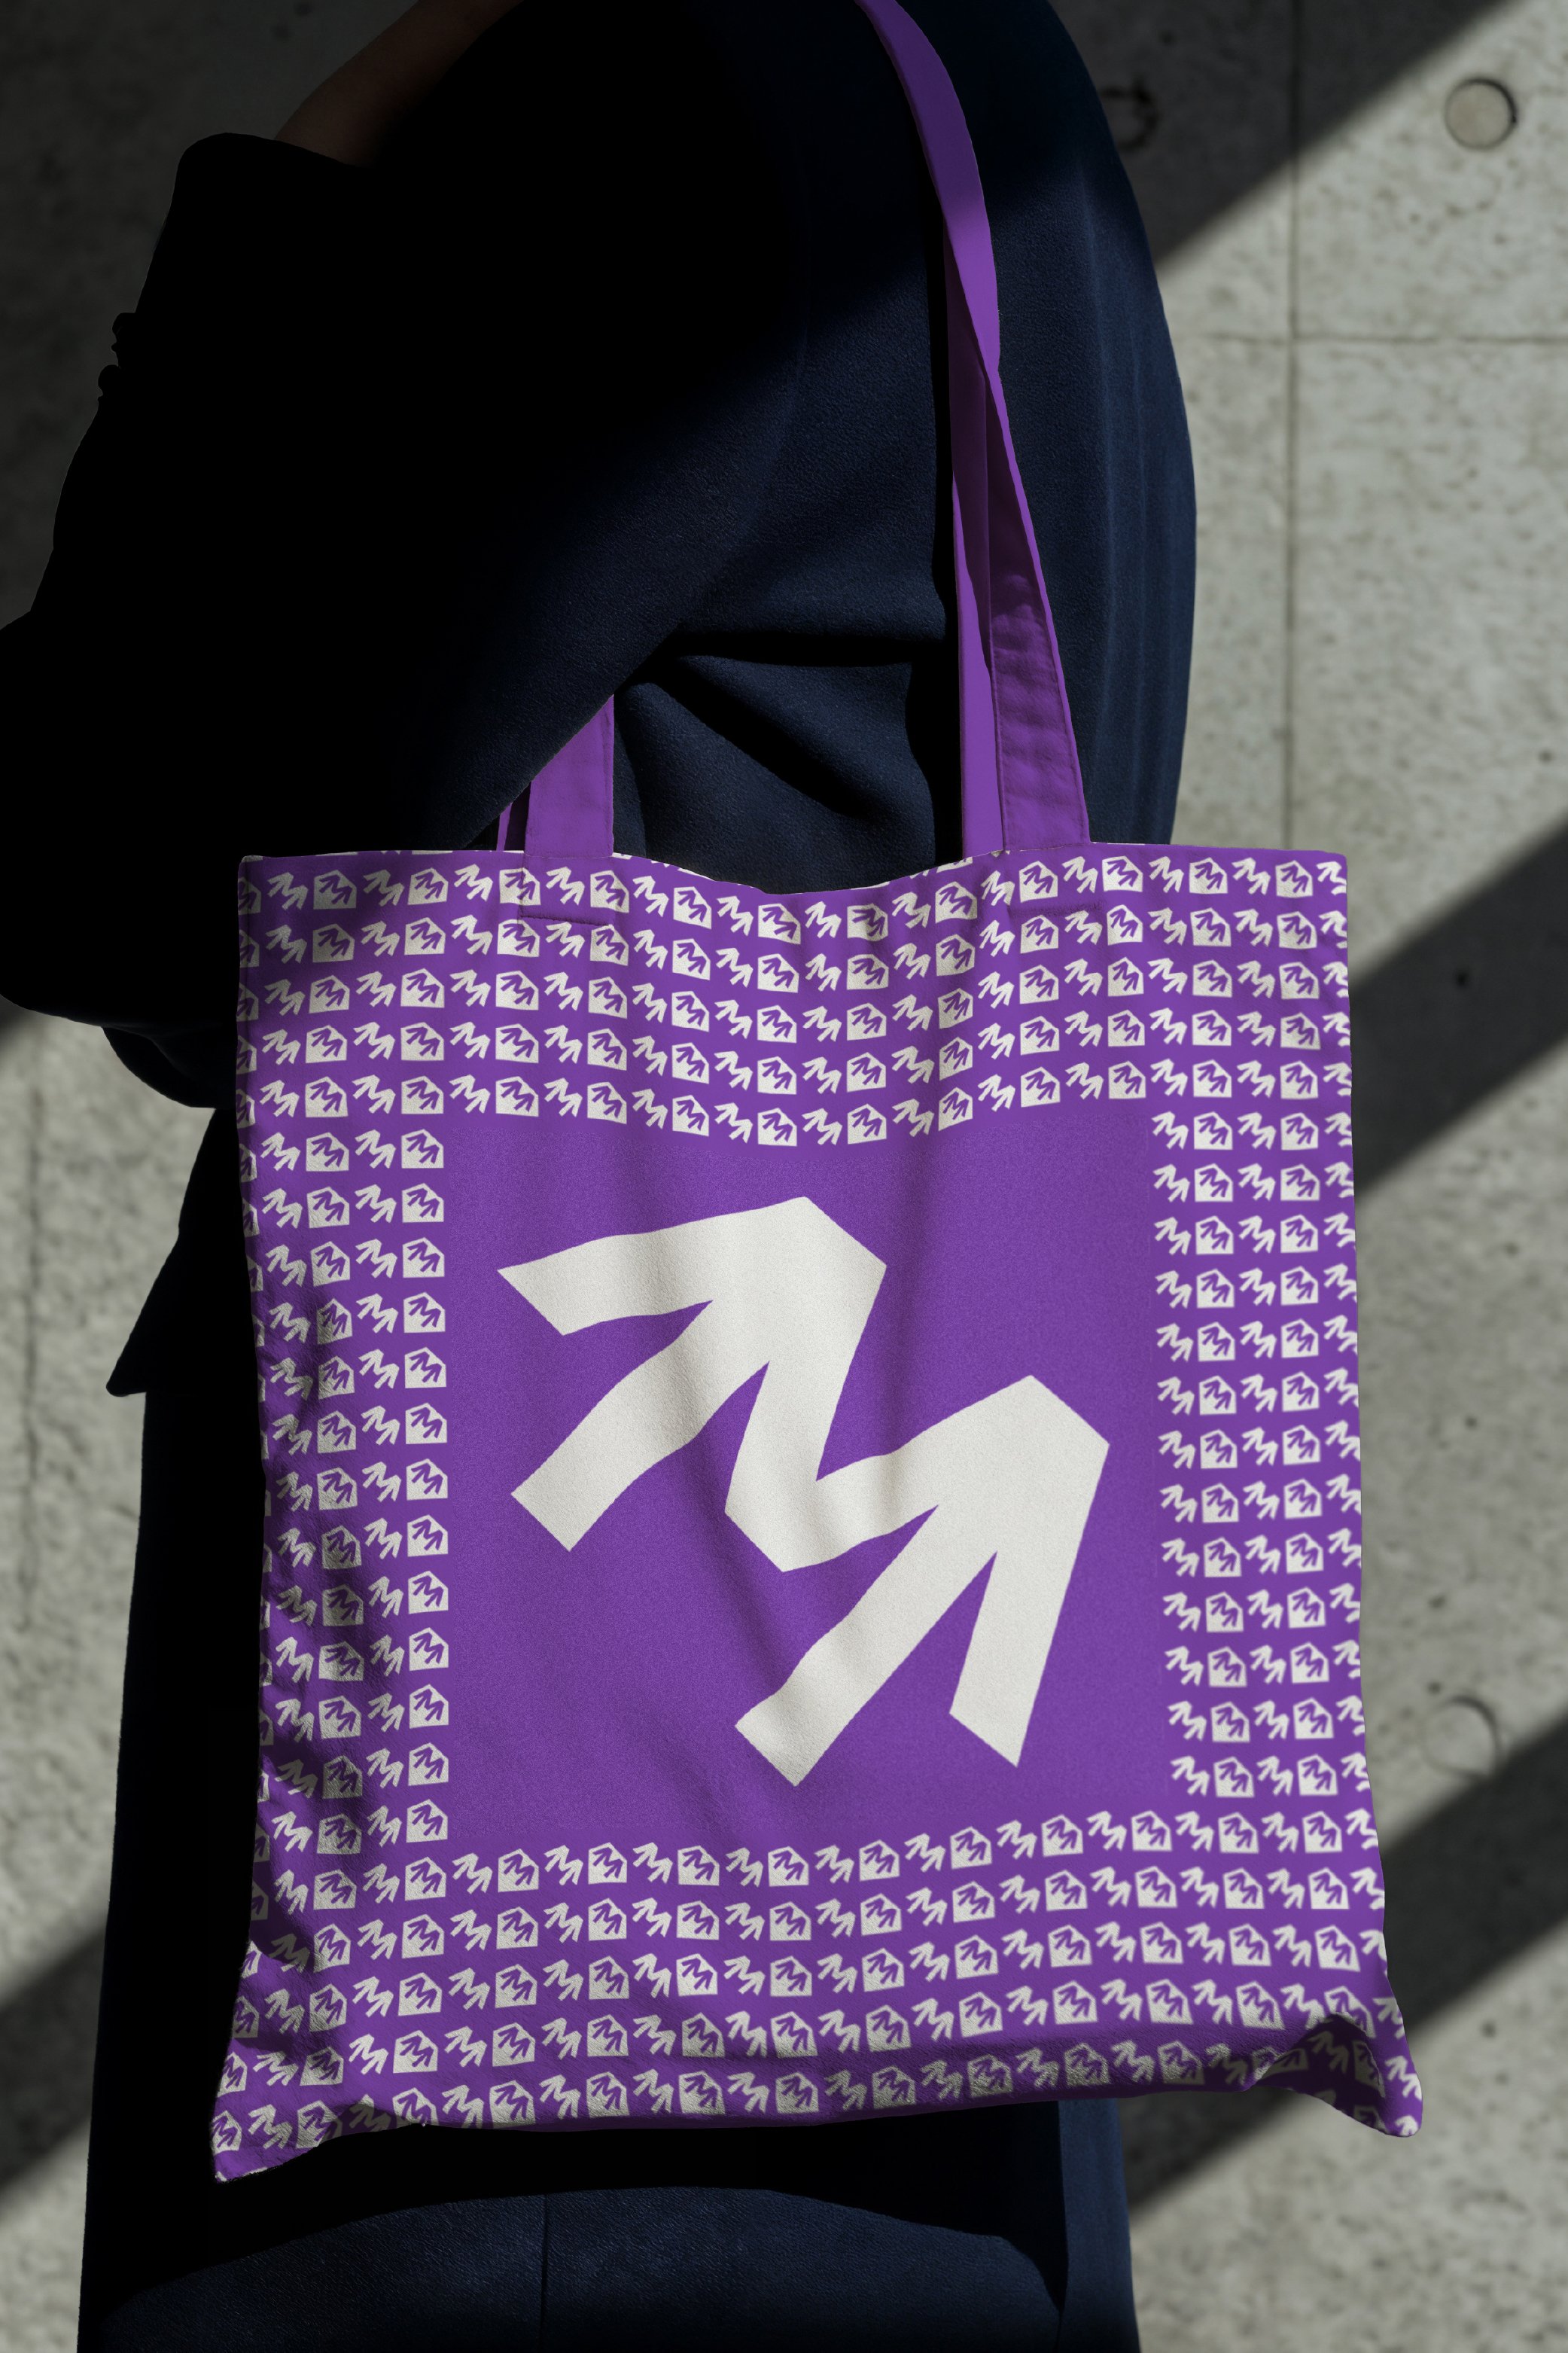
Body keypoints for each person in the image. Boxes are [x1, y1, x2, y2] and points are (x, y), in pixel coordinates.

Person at [0, 1, 1193, 2342]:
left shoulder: (627, 103)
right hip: (888, 1805)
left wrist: (300, 184)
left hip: (534, 1914)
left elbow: (116, 856)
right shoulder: (979, 69)